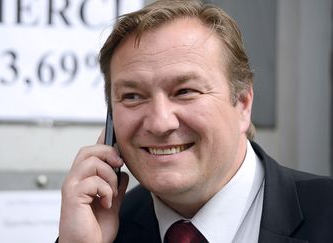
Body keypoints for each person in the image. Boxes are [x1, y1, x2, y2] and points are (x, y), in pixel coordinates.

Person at [58, 0, 333, 242]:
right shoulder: (103, 230)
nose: (160, 123)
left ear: (243, 103)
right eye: (132, 96)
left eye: (185, 91)